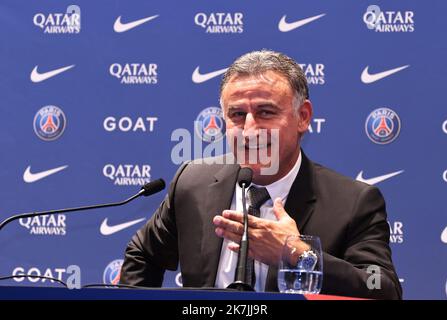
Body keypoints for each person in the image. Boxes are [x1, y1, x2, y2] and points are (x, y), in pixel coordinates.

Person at [119, 50, 402, 299]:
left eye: (265, 112)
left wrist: (299, 255)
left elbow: (382, 288)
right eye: (237, 115)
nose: (250, 129)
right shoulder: (193, 183)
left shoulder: (353, 202)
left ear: (303, 117)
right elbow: (142, 255)